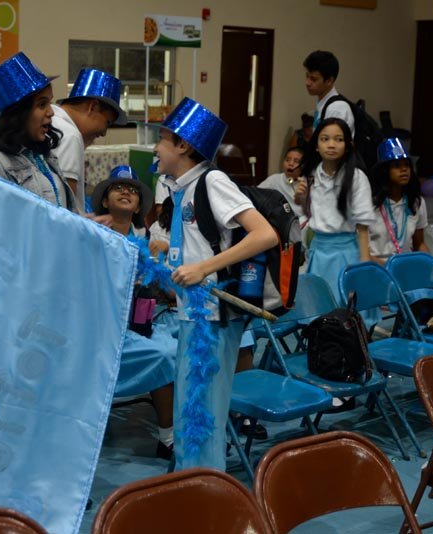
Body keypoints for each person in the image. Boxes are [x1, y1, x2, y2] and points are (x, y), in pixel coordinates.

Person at [155, 97, 276, 470]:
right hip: (193, 312)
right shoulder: (181, 188)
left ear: (183, 145)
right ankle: (191, 481)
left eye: (161, 140)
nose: (155, 148)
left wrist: (203, 268)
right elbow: (201, 239)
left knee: (202, 413)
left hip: (213, 315)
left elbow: (264, 234)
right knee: (190, 409)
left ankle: (204, 489)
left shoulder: (213, 181)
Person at [91, 167, 176, 459]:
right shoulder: (93, 236)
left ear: (139, 207)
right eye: (118, 187)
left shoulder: (146, 239)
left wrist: (162, 263)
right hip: (101, 328)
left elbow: (165, 289)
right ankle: (168, 437)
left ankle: (169, 437)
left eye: (133, 190)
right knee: (164, 353)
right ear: (105, 201)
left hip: (140, 322)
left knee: (183, 345)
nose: (126, 191)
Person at [0, 52, 76, 212]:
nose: (51, 112)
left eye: (49, 103)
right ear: (19, 114)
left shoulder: (42, 153)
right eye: (42, 105)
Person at [295, 117, 374, 299]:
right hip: (318, 249)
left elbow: (363, 228)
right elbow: (305, 210)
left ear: (348, 146)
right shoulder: (311, 175)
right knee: (319, 304)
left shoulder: (357, 177)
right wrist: (300, 196)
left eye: (339, 139)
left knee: (345, 305)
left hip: (346, 252)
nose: (331, 145)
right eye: (325, 139)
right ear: (316, 145)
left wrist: (364, 265)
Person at [52, 68, 128, 207]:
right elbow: (63, 207)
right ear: (93, 107)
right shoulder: (70, 136)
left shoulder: (52, 121)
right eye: (107, 123)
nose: (104, 133)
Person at [368, 138, 429, 264]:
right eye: (397, 166)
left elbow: (419, 244)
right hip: (375, 267)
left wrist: (428, 261)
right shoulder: (369, 204)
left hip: (406, 265)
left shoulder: (416, 202)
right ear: (384, 170)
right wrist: (387, 267)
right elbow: (359, 251)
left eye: (406, 165)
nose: (404, 169)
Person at [303, 50, 354, 135]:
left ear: (329, 80)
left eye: (313, 79)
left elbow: (332, 143)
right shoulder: (324, 103)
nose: (307, 83)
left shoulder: (336, 110)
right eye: (307, 76)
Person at [257, 146, 305, 218]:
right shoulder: (274, 179)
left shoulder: (307, 182)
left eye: (296, 161)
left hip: (301, 220)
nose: (291, 164)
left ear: (303, 165)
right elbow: (256, 194)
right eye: (287, 160)